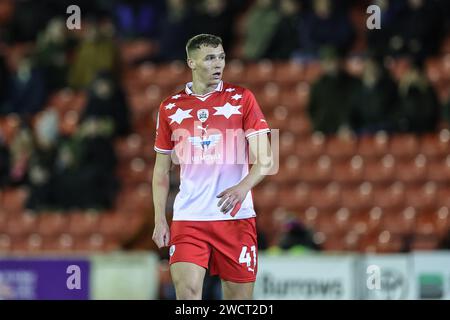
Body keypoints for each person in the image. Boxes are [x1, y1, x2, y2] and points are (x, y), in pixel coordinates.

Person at [152, 34, 273, 300]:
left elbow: (265, 159)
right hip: (189, 218)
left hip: (235, 219)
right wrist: (160, 217)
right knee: (188, 293)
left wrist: (243, 187)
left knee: (238, 301)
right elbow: (161, 170)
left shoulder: (242, 99)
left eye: (221, 57)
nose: (218, 63)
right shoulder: (170, 108)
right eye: (209, 58)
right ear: (191, 63)